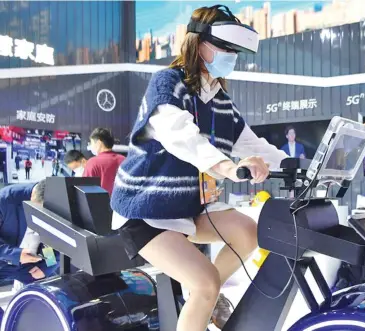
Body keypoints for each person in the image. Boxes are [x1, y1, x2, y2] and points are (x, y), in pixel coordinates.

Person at [109, 5, 288, 331]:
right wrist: (229, 168)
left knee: (246, 232)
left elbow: (253, 144)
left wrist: (295, 164)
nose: (230, 56)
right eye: (224, 47)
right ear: (198, 43)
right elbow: (179, 136)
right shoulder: (168, 82)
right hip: (144, 210)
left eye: (234, 50)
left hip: (186, 207)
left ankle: (201, 299)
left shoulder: (220, 100)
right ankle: (204, 295)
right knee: (206, 284)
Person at [0, 180, 58, 284]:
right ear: (32, 196)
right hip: (3, 258)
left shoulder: (58, 208)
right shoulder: (4, 200)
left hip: (32, 265)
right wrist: (16, 255)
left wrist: (46, 267)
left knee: (54, 291)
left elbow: (52, 243)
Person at [83, 128, 125, 195]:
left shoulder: (92, 162)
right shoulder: (124, 159)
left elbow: (86, 188)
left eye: (91, 143)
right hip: (121, 203)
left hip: (101, 204)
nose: (91, 146)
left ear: (99, 143)